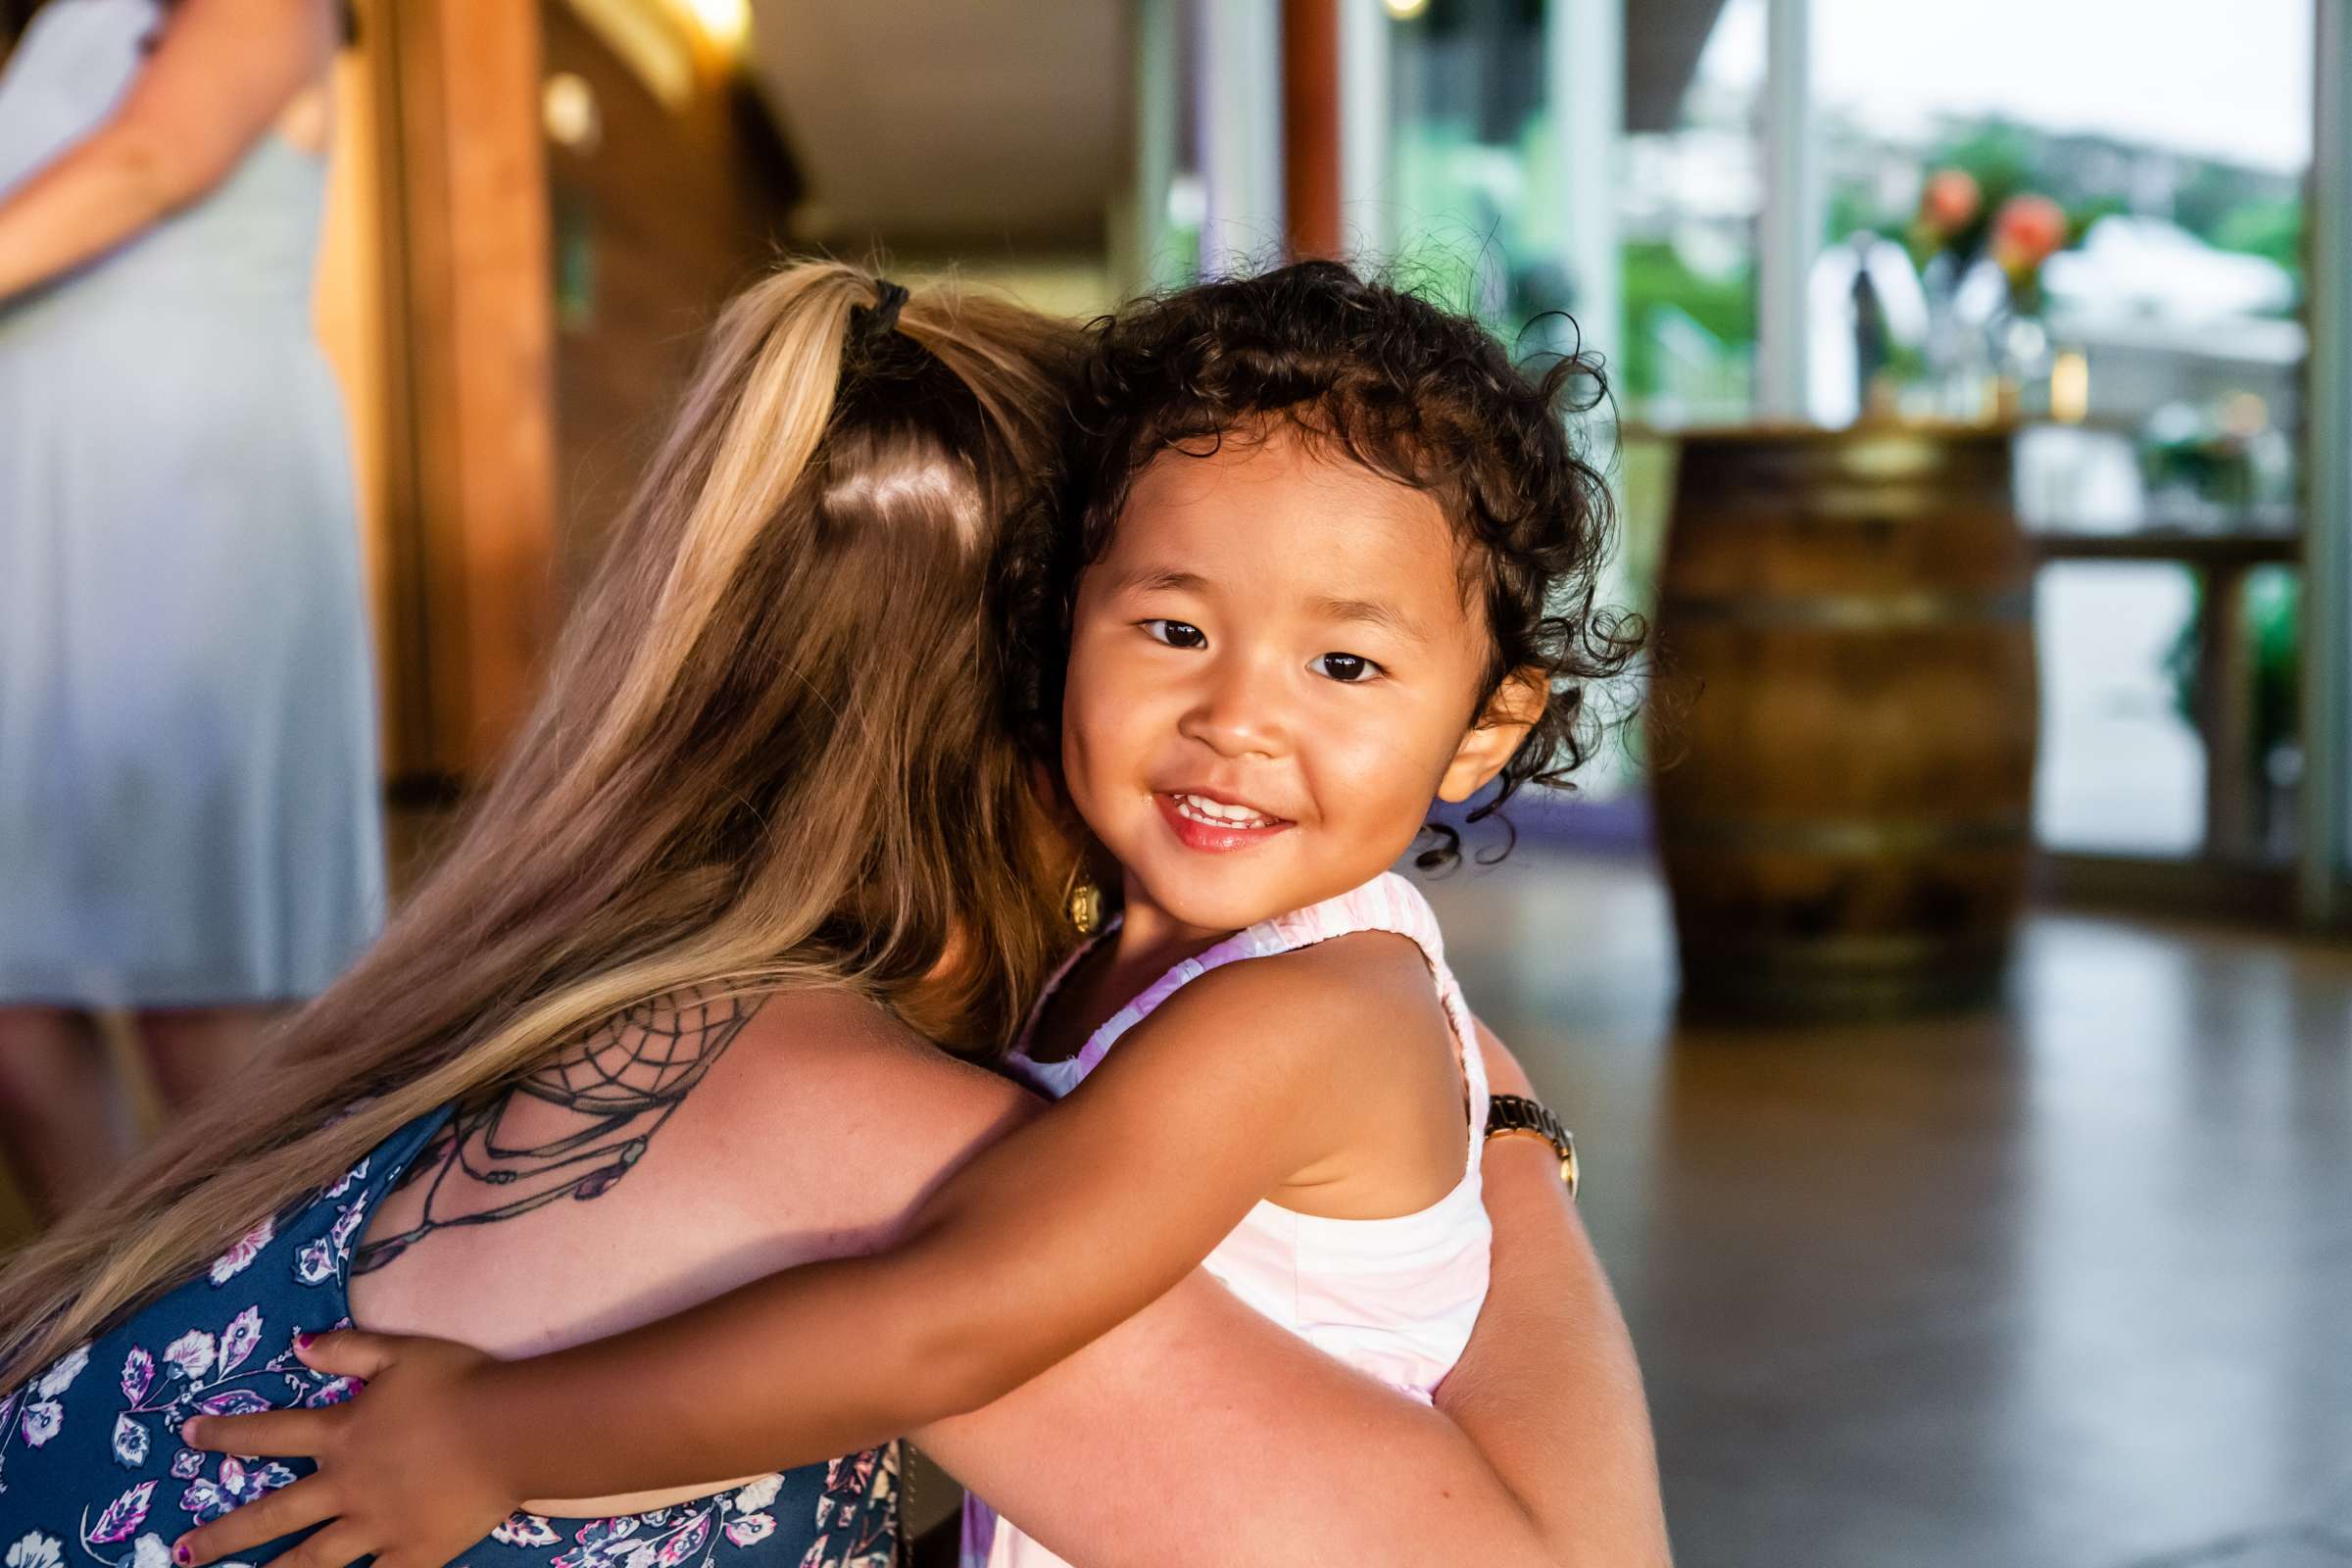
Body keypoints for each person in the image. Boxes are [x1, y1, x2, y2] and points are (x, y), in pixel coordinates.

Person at [0, 262, 1666, 1568]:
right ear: (1049, 659)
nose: (1237, 715)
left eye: (1344, 663)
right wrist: (1507, 1134)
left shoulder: (574, 988)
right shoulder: (882, 1121)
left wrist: (503, 1436)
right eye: (1170, 631)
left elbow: (965, 1324)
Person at [0, 0, 380, 1218]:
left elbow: (147, 161)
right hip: (41, 518)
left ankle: (261, 1328)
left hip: (185, 506)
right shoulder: (59, 23)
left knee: (196, 980)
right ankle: (93, 1341)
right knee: (14, 983)